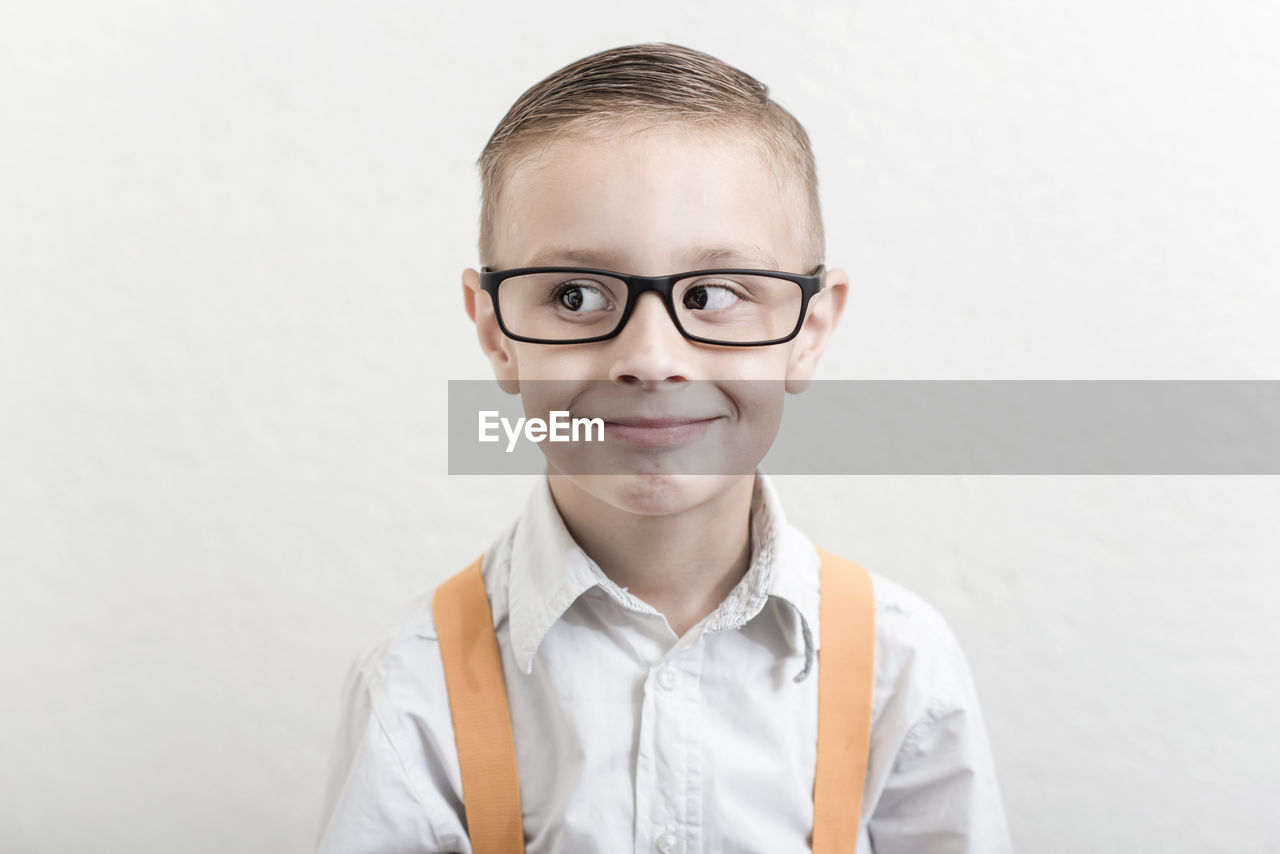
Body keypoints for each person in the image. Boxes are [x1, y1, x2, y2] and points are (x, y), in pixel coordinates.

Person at [316, 43, 1012, 853]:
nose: (650, 359)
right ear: (495, 333)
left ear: (809, 332)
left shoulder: (904, 669)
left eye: (714, 295)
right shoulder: (413, 688)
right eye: (576, 295)